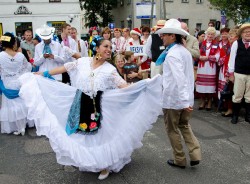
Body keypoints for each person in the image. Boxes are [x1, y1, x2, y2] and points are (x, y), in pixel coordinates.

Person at [18, 36, 162, 180]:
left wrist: (142, 86)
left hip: (100, 107)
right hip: (80, 103)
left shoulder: (110, 69)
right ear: (97, 48)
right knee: (82, 135)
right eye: (106, 46)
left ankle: (104, 165)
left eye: (110, 48)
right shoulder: (82, 62)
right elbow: (64, 68)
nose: (109, 50)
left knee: (100, 137)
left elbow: (123, 87)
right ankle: (89, 161)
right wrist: (43, 73)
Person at [155, 18, 201, 168]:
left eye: (164, 35)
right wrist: (187, 100)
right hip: (185, 97)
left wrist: (184, 101)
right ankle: (195, 154)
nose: (161, 37)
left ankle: (179, 159)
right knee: (184, 125)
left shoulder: (173, 54)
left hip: (175, 100)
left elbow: (180, 79)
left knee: (172, 129)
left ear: (173, 36)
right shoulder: (184, 51)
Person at [0, 32, 32, 135]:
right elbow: (28, 68)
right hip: (19, 83)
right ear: (14, 43)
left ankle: (15, 127)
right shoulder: (20, 55)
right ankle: (22, 126)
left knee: (11, 106)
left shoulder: (1, 55)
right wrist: (18, 74)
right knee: (21, 105)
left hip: (7, 83)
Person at [228, 23, 250, 124]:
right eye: (245, 32)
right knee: (237, 95)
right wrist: (231, 74)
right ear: (241, 34)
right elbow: (232, 59)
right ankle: (235, 115)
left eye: (249, 32)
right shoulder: (236, 43)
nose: (248, 33)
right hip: (239, 73)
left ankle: (248, 116)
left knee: (249, 96)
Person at [196, 27, 220, 110]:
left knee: (210, 86)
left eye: (212, 34)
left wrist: (207, 57)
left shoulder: (216, 45)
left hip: (210, 67)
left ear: (214, 36)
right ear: (206, 35)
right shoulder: (201, 44)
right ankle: (202, 101)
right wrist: (200, 57)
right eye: (208, 34)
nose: (210, 36)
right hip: (202, 67)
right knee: (202, 85)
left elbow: (217, 57)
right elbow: (197, 53)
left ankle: (209, 101)